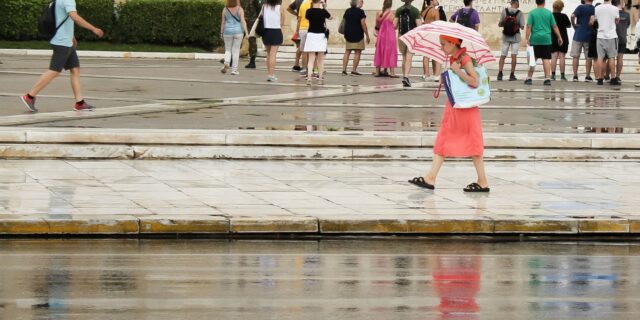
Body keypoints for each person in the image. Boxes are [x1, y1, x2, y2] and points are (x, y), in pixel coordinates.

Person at [408, 35, 489, 193]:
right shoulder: (455, 58)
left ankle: (483, 181)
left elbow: (474, 81)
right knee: (444, 138)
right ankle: (430, 177)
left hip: (466, 108)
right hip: (456, 106)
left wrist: (457, 71)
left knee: (473, 142)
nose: (441, 47)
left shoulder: (464, 59)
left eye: (443, 44)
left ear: (453, 43)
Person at [20, 0, 104, 113]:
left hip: (66, 41)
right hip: (61, 42)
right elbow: (74, 17)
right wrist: (93, 28)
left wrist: (72, 37)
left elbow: (63, 18)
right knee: (54, 71)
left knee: (75, 70)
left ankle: (80, 103)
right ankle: (29, 96)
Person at [524, 0, 563, 86]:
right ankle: (547, 79)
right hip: (546, 39)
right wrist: (559, 37)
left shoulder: (532, 13)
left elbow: (529, 26)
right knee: (546, 59)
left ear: (536, 2)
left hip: (535, 39)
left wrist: (527, 38)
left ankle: (529, 78)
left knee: (533, 60)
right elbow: (554, 26)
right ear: (544, 2)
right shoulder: (549, 13)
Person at [592, 0, 620, 85]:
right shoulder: (615, 8)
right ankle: (613, 78)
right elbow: (617, 21)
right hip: (611, 36)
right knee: (611, 57)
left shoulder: (597, 8)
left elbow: (595, 20)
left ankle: (600, 78)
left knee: (600, 57)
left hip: (600, 35)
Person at [304, 0, 331, 85]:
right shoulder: (323, 11)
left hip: (311, 34)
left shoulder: (308, 11)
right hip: (321, 36)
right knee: (321, 59)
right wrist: (324, 7)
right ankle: (320, 78)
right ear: (320, 2)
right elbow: (330, 17)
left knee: (311, 59)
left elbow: (307, 17)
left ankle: (309, 78)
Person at [396, 0, 422, 87]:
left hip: (401, 36)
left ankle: (404, 76)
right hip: (411, 36)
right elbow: (419, 26)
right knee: (409, 57)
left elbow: (394, 25)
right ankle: (406, 77)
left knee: (404, 57)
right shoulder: (415, 10)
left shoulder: (399, 10)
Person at [497, 0, 525, 81]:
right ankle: (512, 75)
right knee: (514, 55)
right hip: (516, 37)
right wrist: (517, 25)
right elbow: (522, 26)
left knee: (503, 55)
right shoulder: (520, 13)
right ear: (516, 3)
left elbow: (500, 24)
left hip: (506, 36)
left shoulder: (504, 11)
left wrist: (506, 24)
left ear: (511, 3)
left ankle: (500, 73)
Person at [341, 0, 370, 76]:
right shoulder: (361, 12)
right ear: (357, 3)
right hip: (358, 34)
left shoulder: (347, 11)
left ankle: (344, 70)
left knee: (347, 51)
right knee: (357, 52)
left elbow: (344, 22)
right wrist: (367, 35)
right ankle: (354, 70)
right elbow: (363, 24)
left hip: (348, 34)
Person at [221, 0, 249, 75]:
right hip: (238, 32)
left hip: (227, 32)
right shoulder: (240, 9)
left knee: (228, 50)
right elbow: (243, 21)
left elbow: (223, 22)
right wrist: (246, 32)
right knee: (236, 51)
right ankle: (234, 70)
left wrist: (221, 32)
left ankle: (226, 62)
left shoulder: (225, 9)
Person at [571, 0, 595, 82]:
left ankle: (575, 76)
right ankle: (587, 76)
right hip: (589, 35)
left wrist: (574, 25)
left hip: (578, 35)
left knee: (575, 56)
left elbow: (572, 15)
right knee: (588, 57)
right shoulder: (594, 9)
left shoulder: (580, 7)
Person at [373, 0, 399, 77]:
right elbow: (395, 26)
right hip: (390, 35)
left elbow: (377, 25)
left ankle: (377, 72)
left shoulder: (379, 13)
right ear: (391, 5)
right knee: (391, 52)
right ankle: (392, 73)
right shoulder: (392, 14)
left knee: (379, 51)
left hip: (381, 35)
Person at [261, 0, 285, 82]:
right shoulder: (280, 7)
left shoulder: (264, 6)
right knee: (273, 54)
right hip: (276, 31)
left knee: (268, 53)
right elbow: (282, 22)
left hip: (266, 31)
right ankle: (271, 75)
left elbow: (261, 18)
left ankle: (269, 73)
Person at [421, 0, 443, 82]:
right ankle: (437, 75)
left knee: (426, 55)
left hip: (426, 34)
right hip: (434, 34)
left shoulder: (424, 10)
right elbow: (438, 24)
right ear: (431, 1)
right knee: (437, 54)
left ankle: (426, 74)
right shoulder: (435, 11)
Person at [550, 0, 571, 81]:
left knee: (553, 56)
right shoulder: (564, 16)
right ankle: (562, 76)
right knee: (562, 57)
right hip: (563, 38)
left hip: (553, 37)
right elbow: (569, 25)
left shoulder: (550, 15)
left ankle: (553, 75)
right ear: (561, 8)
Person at [612, 0, 630, 84]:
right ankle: (618, 76)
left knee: (611, 57)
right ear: (620, 3)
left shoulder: (612, 13)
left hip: (612, 37)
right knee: (620, 57)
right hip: (623, 38)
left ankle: (609, 75)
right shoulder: (627, 14)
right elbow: (627, 26)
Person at [287, 0, 305, 71]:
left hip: (300, 25)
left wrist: (297, 14)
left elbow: (288, 8)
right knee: (305, 47)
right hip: (306, 25)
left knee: (301, 46)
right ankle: (306, 67)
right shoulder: (308, 1)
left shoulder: (298, 1)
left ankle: (296, 65)